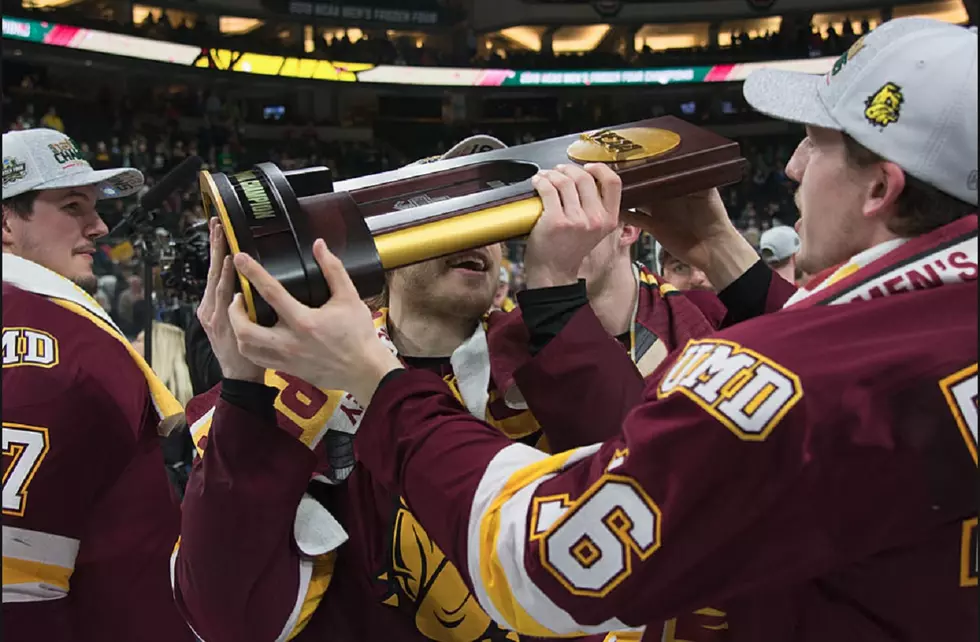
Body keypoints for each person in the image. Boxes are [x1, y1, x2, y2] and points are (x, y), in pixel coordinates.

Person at [222, 18, 977, 641]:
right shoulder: (919, 333)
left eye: (815, 143)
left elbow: (550, 561)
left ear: (881, 187)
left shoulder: (767, 367)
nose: (792, 169)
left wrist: (379, 382)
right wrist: (720, 252)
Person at [174, 137, 736, 641]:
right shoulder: (289, 391)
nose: (477, 232)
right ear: (378, 259)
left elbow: (655, 508)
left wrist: (557, 299)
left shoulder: (549, 364)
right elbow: (225, 615)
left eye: (489, 217)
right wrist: (242, 387)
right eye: (437, 208)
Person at [2, 128, 194, 641]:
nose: (100, 227)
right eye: (72, 207)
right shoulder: (70, 348)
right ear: (4, 221)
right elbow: (18, 593)